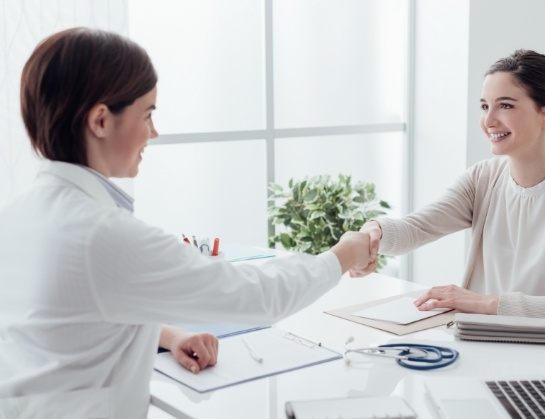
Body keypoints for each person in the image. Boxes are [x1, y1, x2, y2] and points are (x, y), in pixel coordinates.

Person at [0, 28, 371, 418]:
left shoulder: (19, 216)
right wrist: (343, 255)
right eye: (147, 114)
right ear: (100, 121)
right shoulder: (103, 235)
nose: (154, 133)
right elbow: (258, 295)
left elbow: (64, 319)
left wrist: (164, 334)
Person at [352, 49, 545, 329]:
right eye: (485, 106)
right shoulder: (482, 178)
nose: (489, 121)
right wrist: (374, 232)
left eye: (505, 106)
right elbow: (415, 229)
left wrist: (487, 303)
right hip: (479, 343)